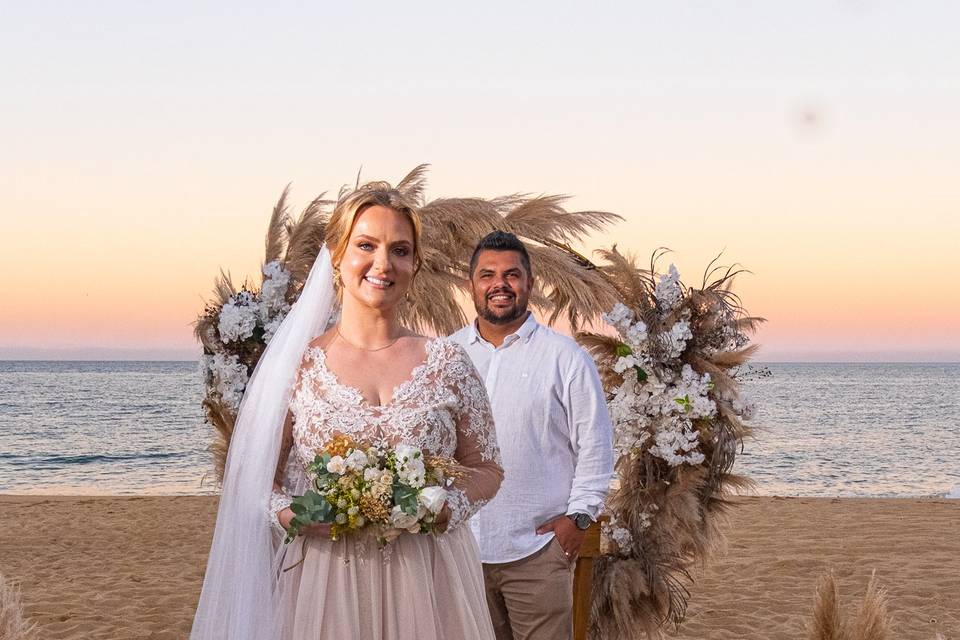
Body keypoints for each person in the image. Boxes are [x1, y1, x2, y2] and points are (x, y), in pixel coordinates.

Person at [191, 182, 503, 640]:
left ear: (414, 265)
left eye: (400, 250)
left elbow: (487, 468)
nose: (383, 263)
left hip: (431, 577)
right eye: (366, 245)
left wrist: (445, 505)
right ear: (336, 255)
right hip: (325, 582)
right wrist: (290, 513)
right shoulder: (296, 367)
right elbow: (253, 476)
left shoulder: (449, 363)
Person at [451, 231, 614, 640]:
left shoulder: (566, 358)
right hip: (460, 551)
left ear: (530, 283)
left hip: (537, 551)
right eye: (487, 275)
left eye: (512, 274)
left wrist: (578, 519)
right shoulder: (448, 355)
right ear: (471, 285)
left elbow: (595, 445)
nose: (499, 285)